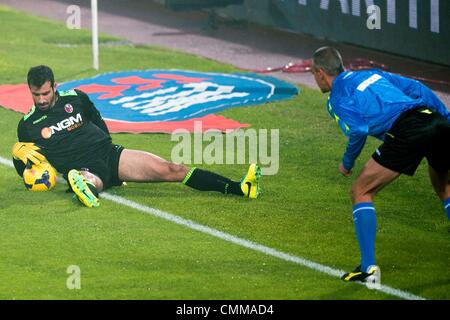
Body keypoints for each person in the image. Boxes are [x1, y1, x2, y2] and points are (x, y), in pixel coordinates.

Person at [12, 65, 260, 208]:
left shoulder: (76, 97)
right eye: (36, 95)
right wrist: (17, 156)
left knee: (172, 168)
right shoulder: (28, 125)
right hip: (80, 165)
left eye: (45, 93)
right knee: (89, 178)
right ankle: (84, 187)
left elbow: (97, 120)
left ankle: (239, 188)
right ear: (30, 91)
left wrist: (109, 146)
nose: (42, 99)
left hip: (110, 156)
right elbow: (29, 170)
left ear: (54, 86)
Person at [311, 47, 450, 286]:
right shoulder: (370, 74)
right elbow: (417, 88)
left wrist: (347, 163)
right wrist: (445, 118)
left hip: (406, 131)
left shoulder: (337, 98)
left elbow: (358, 130)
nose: (315, 79)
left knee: (360, 191)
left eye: (314, 73)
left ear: (321, 73)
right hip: (433, 120)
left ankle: (368, 268)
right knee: (444, 186)